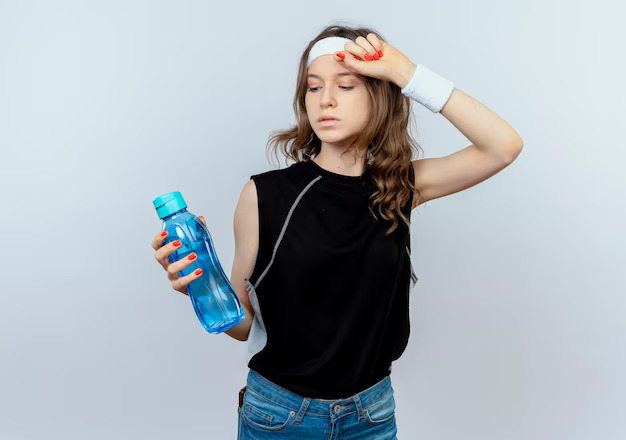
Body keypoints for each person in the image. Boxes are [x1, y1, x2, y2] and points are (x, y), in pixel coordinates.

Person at [152, 24, 523, 440]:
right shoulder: (263, 195)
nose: (325, 99)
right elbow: (243, 326)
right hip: (279, 417)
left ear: (379, 95)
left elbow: (502, 146)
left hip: (372, 415)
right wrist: (198, 287)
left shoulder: (399, 189)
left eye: (345, 85)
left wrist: (406, 74)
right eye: (314, 87)